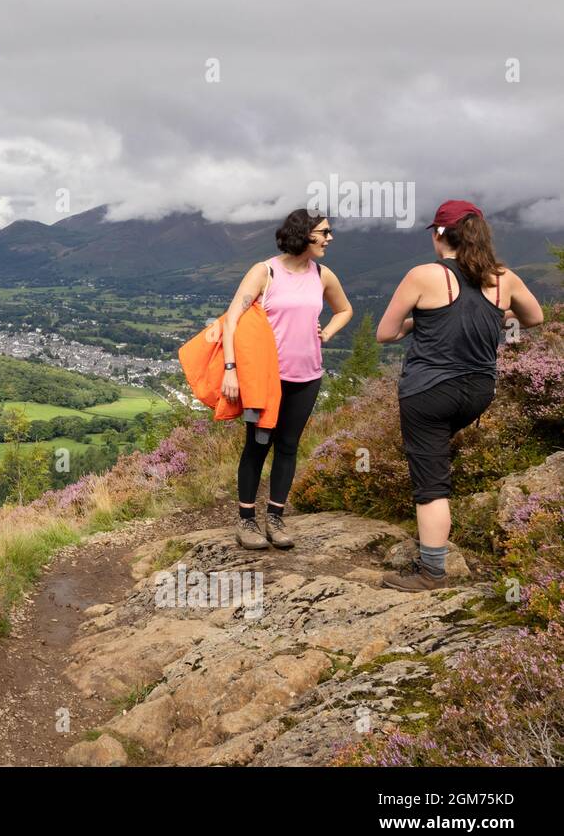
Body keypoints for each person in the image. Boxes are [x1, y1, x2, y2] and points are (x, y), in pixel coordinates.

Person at [376, 200, 543, 591]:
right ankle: (436, 525)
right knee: (435, 462)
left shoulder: (423, 275)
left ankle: (431, 573)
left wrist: (421, 320)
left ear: (438, 235)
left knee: (431, 483)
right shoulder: (504, 279)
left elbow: (385, 332)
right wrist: (494, 316)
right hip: (479, 391)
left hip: (429, 391)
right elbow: (535, 318)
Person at [223, 209, 353, 550]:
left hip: (307, 376)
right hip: (267, 379)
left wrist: (327, 334)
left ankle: (276, 518)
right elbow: (232, 319)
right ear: (303, 234)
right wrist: (230, 368)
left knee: (289, 446)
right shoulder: (265, 272)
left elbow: (345, 310)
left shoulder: (323, 275)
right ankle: (247, 521)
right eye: (324, 232)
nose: (330, 238)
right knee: (258, 445)